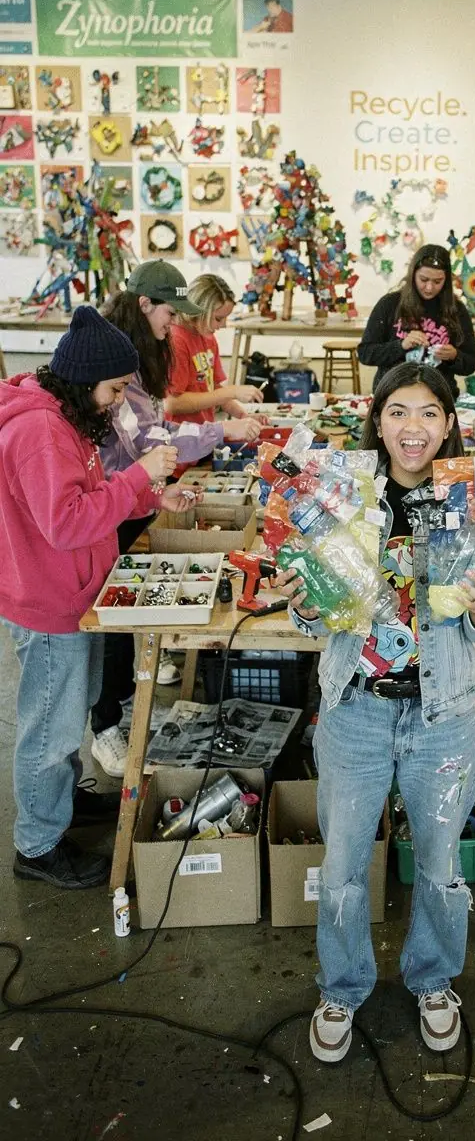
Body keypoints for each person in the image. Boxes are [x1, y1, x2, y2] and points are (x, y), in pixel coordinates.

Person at [275, 362, 475, 1063]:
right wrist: (304, 602)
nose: (415, 428)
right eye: (399, 412)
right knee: (344, 861)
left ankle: (433, 978)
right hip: (358, 710)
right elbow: (314, 618)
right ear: (377, 421)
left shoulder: (474, 503)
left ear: (448, 422)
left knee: (440, 864)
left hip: (444, 714)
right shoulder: (341, 498)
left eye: (430, 413)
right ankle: (342, 986)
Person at [0, 307, 192, 889]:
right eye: (112, 389)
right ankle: (36, 845)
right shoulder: (39, 431)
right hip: (48, 598)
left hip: (72, 592)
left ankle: (56, 806)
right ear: (86, 381)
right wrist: (139, 478)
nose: (116, 401)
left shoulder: (65, 415)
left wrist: (152, 498)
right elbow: (66, 523)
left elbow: (93, 494)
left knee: (67, 712)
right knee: (50, 729)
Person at [88, 261, 263, 778]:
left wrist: (154, 494)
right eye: (170, 314)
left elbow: (150, 435)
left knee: (117, 625)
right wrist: (219, 434)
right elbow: (139, 442)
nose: (175, 324)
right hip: (106, 508)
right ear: (144, 305)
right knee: (107, 627)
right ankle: (106, 725)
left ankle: (115, 712)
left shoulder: (138, 352)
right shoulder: (119, 360)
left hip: (128, 499)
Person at [357, 244, 475, 397]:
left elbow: (471, 363)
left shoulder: (457, 310)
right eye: (423, 279)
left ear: (446, 280)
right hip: (392, 395)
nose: (429, 288)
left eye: (437, 282)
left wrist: (454, 356)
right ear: (413, 274)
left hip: (438, 398)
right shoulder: (389, 304)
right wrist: (401, 346)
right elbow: (365, 354)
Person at [165, 274, 264, 424]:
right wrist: (232, 392)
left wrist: (243, 415)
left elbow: (212, 389)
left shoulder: (207, 336)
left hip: (204, 433)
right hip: (181, 437)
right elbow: (173, 404)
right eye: (218, 318)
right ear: (199, 310)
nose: (223, 325)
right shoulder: (176, 340)